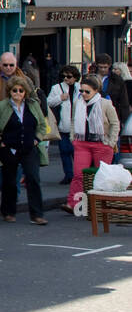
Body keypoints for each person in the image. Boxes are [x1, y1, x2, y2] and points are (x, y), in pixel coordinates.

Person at [0, 76, 48, 225]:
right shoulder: (0, 107)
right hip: (9, 148)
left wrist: (37, 139)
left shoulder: (33, 105)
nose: (18, 93)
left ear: (25, 92)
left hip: (29, 148)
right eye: (14, 90)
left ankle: (37, 214)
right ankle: (8, 211)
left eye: (21, 90)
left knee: (33, 178)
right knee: (10, 181)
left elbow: (42, 126)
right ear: (9, 91)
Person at [62, 76, 120, 214]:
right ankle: (74, 204)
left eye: (87, 91)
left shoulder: (105, 104)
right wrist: (72, 138)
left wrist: (111, 143)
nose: (83, 94)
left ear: (96, 91)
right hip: (82, 143)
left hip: (101, 144)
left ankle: (101, 206)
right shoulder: (78, 103)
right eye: (81, 91)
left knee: (101, 177)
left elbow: (115, 123)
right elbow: (73, 120)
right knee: (78, 175)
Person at [47, 64, 82, 186]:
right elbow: (48, 102)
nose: (66, 79)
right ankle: (68, 175)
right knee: (65, 152)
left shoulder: (80, 88)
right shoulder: (57, 88)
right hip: (63, 126)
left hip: (78, 127)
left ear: (75, 77)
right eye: (64, 76)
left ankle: (78, 176)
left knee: (76, 153)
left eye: (69, 76)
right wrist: (60, 98)